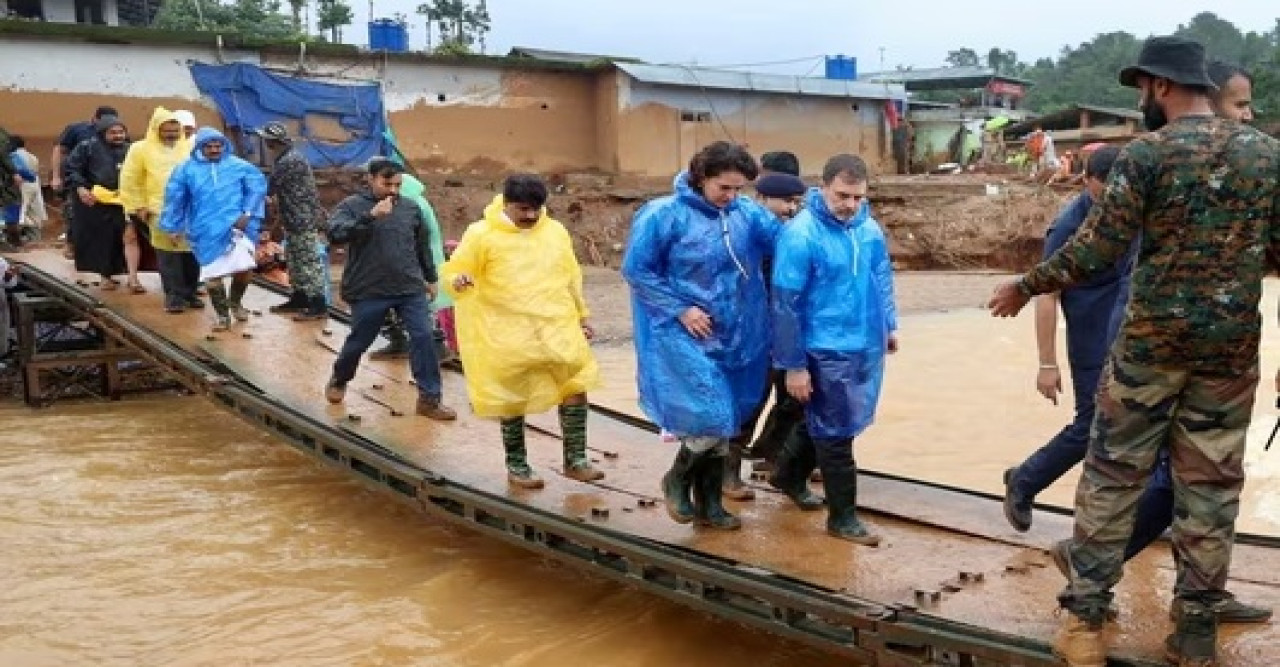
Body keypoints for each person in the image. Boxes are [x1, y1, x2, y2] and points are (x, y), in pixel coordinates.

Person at [987, 36, 1279, 666]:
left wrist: (1025, 284)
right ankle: (1195, 636)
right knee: (1211, 492)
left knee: (1112, 483)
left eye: (1142, 89)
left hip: (1147, 354)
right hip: (1228, 359)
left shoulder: (1145, 154)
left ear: (1162, 86)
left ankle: (1086, 626)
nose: (1142, 100)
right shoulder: (1267, 156)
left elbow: (1095, 250)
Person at [622, 141, 776, 531]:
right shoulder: (663, 215)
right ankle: (676, 478)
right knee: (711, 416)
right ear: (700, 177)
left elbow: (787, 245)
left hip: (737, 332)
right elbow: (638, 271)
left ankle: (710, 504)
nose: (731, 196)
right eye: (724, 187)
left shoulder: (746, 214)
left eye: (739, 189)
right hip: (681, 331)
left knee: (728, 422)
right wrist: (681, 309)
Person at [770, 154, 898, 545]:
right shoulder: (801, 234)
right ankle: (842, 518)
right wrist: (794, 365)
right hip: (821, 347)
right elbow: (786, 304)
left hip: (861, 342)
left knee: (832, 422)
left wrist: (888, 325)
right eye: (843, 195)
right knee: (837, 433)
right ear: (822, 186)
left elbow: (881, 278)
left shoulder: (868, 230)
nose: (850, 205)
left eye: (858, 197)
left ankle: (787, 474)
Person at [443, 173, 603, 487]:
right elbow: (455, 271)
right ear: (506, 203)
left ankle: (576, 459)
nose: (530, 216)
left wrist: (582, 315)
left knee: (575, 383)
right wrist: (458, 281)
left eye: (536, 209)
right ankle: (517, 465)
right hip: (507, 328)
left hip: (555, 322)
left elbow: (571, 276)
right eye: (523, 209)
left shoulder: (555, 231)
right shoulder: (481, 234)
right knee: (511, 396)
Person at [323, 159, 456, 422]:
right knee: (360, 339)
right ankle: (340, 378)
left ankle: (430, 399)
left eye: (398, 184)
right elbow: (335, 234)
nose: (393, 190)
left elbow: (422, 246)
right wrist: (370, 217)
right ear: (370, 179)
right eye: (387, 184)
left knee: (424, 336)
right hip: (369, 288)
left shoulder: (411, 208)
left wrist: (430, 278)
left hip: (408, 286)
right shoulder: (352, 207)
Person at [723, 168, 808, 499]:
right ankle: (727, 473)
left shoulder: (792, 235)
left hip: (788, 334)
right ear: (760, 199)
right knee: (750, 402)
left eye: (795, 203)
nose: (790, 209)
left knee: (793, 402)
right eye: (784, 202)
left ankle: (774, 460)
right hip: (753, 334)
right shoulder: (746, 234)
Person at [161, 128, 268, 330]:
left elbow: (257, 187)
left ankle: (235, 304)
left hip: (237, 228)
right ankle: (222, 316)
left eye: (218, 146)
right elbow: (175, 199)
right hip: (205, 229)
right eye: (209, 146)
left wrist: (247, 213)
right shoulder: (185, 170)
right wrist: (172, 226)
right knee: (212, 275)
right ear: (200, 147)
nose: (214, 150)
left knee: (244, 268)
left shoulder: (239, 166)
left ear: (224, 146)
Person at [120, 107, 201, 313]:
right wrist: (138, 206)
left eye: (176, 130)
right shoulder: (140, 149)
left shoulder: (190, 148)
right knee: (168, 254)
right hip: (158, 210)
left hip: (190, 210)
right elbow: (131, 179)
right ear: (157, 130)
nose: (172, 134)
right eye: (167, 131)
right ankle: (174, 296)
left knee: (191, 253)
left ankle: (190, 293)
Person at [370, 170, 449, 361]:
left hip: (415, 263)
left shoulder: (409, 206)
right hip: (420, 261)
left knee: (416, 305)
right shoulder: (417, 202)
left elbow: (411, 239)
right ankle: (412, 343)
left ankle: (431, 347)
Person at [256, 122, 327, 321]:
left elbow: (269, 189)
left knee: (307, 262)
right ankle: (300, 297)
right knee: (295, 261)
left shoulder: (289, 161)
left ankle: (318, 304)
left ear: (271, 142)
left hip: (303, 220)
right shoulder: (286, 157)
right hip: (294, 218)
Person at [65, 116, 132, 289]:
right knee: (100, 240)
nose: (118, 136)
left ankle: (120, 273)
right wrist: (80, 188)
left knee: (122, 237)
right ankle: (105, 276)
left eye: (121, 132)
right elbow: (72, 169)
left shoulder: (131, 149)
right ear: (103, 133)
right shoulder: (87, 148)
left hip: (121, 201)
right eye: (113, 132)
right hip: (93, 202)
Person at [51, 106, 118, 258]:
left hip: (103, 182)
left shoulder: (116, 132)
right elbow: (59, 150)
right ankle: (71, 244)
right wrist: (56, 176)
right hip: (77, 178)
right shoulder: (77, 129)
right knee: (73, 212)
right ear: (94, 118)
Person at [9, 136, 46, 236]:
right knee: (34, 211)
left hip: (22, 184)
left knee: (21, 212)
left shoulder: (13, 155)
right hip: (34, 184)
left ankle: (18, 235)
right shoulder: (33, 156)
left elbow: (18, 170)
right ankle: (35, 235)